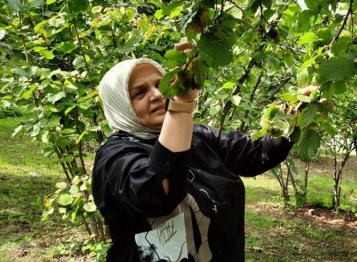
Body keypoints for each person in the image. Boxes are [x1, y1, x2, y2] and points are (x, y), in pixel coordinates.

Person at [92, 43, 304, 262]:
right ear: (120, 105)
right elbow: (156, 192)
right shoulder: (114, 156)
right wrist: (182, 105)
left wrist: (297, 111)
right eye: (139, 93)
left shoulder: (198, 135)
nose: (156, 95)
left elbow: (253, 154)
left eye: (161, 85)